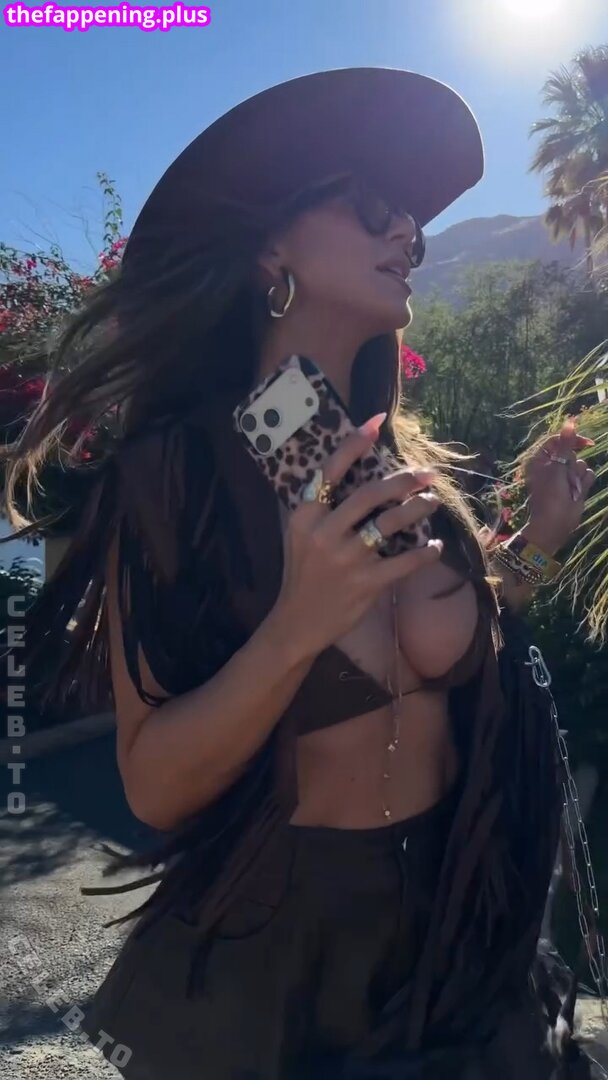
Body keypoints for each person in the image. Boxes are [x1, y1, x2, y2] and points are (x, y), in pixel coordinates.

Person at [0, 68, 599, 1079]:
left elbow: (456, 632)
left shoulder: (390, 461)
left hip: (461, 934)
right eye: (371, 207)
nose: (406, 232)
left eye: (411, 222)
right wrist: (294, 629)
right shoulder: (179, 475)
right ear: (269, 249)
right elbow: (153, 786)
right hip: (281, 973)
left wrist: (537, 541)